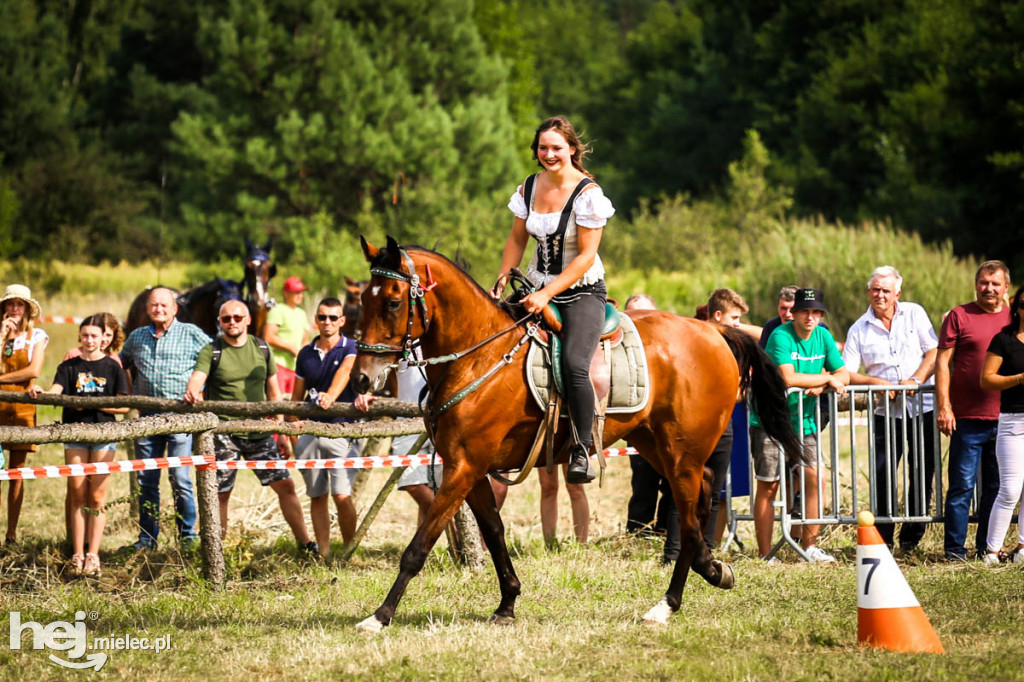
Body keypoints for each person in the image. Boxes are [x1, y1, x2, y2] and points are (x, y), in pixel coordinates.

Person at [490, 115, 615, 485]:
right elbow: (516, 239)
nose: (549, 154)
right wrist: (503, 275)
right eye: (543, 148)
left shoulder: (589, 194)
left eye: (557, 148)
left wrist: (546, 293)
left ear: (572, 149)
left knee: (576, 364)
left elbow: (585, 257)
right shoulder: (528, 187)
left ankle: (580, 447)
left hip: (581, 290)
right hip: (533, 284)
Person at [184, 300, 316, 554]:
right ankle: (215, 554)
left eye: (236, 317)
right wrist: (192, 392)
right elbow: (196, 382)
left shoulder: (262, 348)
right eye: (225, 319)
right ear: (220, 323)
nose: (231, 322)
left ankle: (307, 545)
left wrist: (280, 432)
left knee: (286, 486)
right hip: (223, 432)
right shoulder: (211, 350)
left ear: (248, 320)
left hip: (259, 431)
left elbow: (274, 392)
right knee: (220, 493)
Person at [843, 266, 938, 551]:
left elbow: (934, 352)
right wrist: (877, 382)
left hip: (924, 407)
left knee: (923, 471)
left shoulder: (915, 313)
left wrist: (915, 379)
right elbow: (846, 372)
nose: (880, 295)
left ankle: (911, 538)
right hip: (885, 412)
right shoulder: (858, 328)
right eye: (875, 289)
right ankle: (882, 539)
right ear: (868, 292)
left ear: (897, 292)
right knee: (883, 475)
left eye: (886, 290)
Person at [751, 287, 848, 563]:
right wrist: (824, 379)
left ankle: (810, 547)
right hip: (770, 421)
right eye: (805, 311)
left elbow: (843, 373)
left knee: (816, 476)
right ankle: (765, 554)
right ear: (793, 314)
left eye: (816, 312)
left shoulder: (823, 335)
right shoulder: (780, 336)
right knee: (769, 485)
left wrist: (826, 379)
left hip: (804, 423)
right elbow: (788, 378)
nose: (811, 317)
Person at [30, 316, 129, 576]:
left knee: (97, 496)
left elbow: (123, 405)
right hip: (74, 432)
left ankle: (93, 554)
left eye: (94, 336)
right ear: (80, 337)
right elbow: (56, 391)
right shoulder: (69, 366)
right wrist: (41, 392)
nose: (89, 340)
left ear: (102, 339)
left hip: (103, 433)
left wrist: (92, 405)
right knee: (76, 493)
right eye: (85, 335)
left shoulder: (113, 367)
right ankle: (76, 553)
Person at [120, 287, 210, 552]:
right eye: (154, 305)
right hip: (146, 418)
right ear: (148, 308)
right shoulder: (136, 337)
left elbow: (211, 358)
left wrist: (199, 383)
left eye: (164, 305)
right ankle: (147, 539)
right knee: (146, 480)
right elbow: (119, 363)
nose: (159, 309)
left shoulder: (191, 333)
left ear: (175, 308)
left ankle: (187, 537)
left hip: (180, 417)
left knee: (180, 478)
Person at [937, 260, 1011, 561]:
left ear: (1006, 288)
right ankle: (955, 551)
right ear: (975, 284)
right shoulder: (959, 315)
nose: (989, 288)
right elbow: (943, 363)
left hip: (1007, 418)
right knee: (961, 488)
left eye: (995, 284)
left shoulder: (1014, 319)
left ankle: (986, 549)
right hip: (967, 418)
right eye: (984, 282)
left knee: (996, 488)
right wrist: (944, 406)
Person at [289, 298, 359, 559]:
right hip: (309, 433)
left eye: (332, 317)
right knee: (317, 495)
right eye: (322, 317)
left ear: (342, 321)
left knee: (342, 495)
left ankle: (349, 551)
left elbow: (346, 370)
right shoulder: (305, 353)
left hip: (342, 430)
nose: (327, 322)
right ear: (315, 320)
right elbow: (296, 398)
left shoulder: (351, 346)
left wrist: (330, 396)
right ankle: (325, 553)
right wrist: (293, 433)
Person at [354, 349, 444, 527]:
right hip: (407, 421)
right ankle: (447, 519)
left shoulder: (440, 338)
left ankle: (423, 550)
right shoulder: (403, 340)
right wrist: (368, 390)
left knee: (437, 488)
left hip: (441, 421)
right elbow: (380, 366)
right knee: (411, 482)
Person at [978, 284, 1024, 565]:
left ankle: (1022, 547)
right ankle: (991, 551)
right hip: (1013, 420)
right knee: (1009, 488)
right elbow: (987, 379)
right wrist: (1019, 378)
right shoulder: (1003, 339)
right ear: (1016, 307)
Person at [0, 284, 48, 546]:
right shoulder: (0, 334)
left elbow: (33, 371)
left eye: (19, 304)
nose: (14, 308)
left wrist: (1, 378)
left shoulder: (36, 336)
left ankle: (11, 533)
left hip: (21, 410)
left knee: (16, 474)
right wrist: (1, 337)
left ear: (27, 308)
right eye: (10, 303)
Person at [624, 294, 673, 541]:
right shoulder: (620, 352)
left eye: (646, 314)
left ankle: (665, 528)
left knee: (672, 480)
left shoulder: (670, 348)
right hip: (637, 422)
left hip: (666, 423)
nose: (640, 320)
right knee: (642, 481)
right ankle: (637, 533)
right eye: (634, 314)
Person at [262, 276, 310, 400]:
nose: (300, 295)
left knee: (293, 405)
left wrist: (304, 352)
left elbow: (305, 338)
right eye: (296, 292)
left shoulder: (302, 313)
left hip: (296, 367)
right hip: (278, 365)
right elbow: (268, 336)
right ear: (286, 293)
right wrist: (291, 347)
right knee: (277, 405)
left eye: (301, 292)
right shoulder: (277, 310)